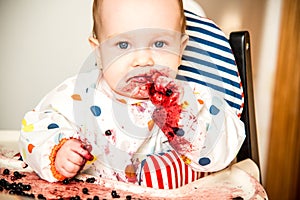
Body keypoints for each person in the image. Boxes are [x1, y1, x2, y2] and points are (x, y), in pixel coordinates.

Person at [19, 0, 245, 189]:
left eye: (159, 43)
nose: (143, 60)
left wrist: (186, 123)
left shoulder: (194, 98)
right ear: (98, 51)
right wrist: (59, 152)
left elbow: (227, 145)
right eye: (124, 45)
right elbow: (34, 129)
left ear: (180, 48)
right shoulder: (78, 95)